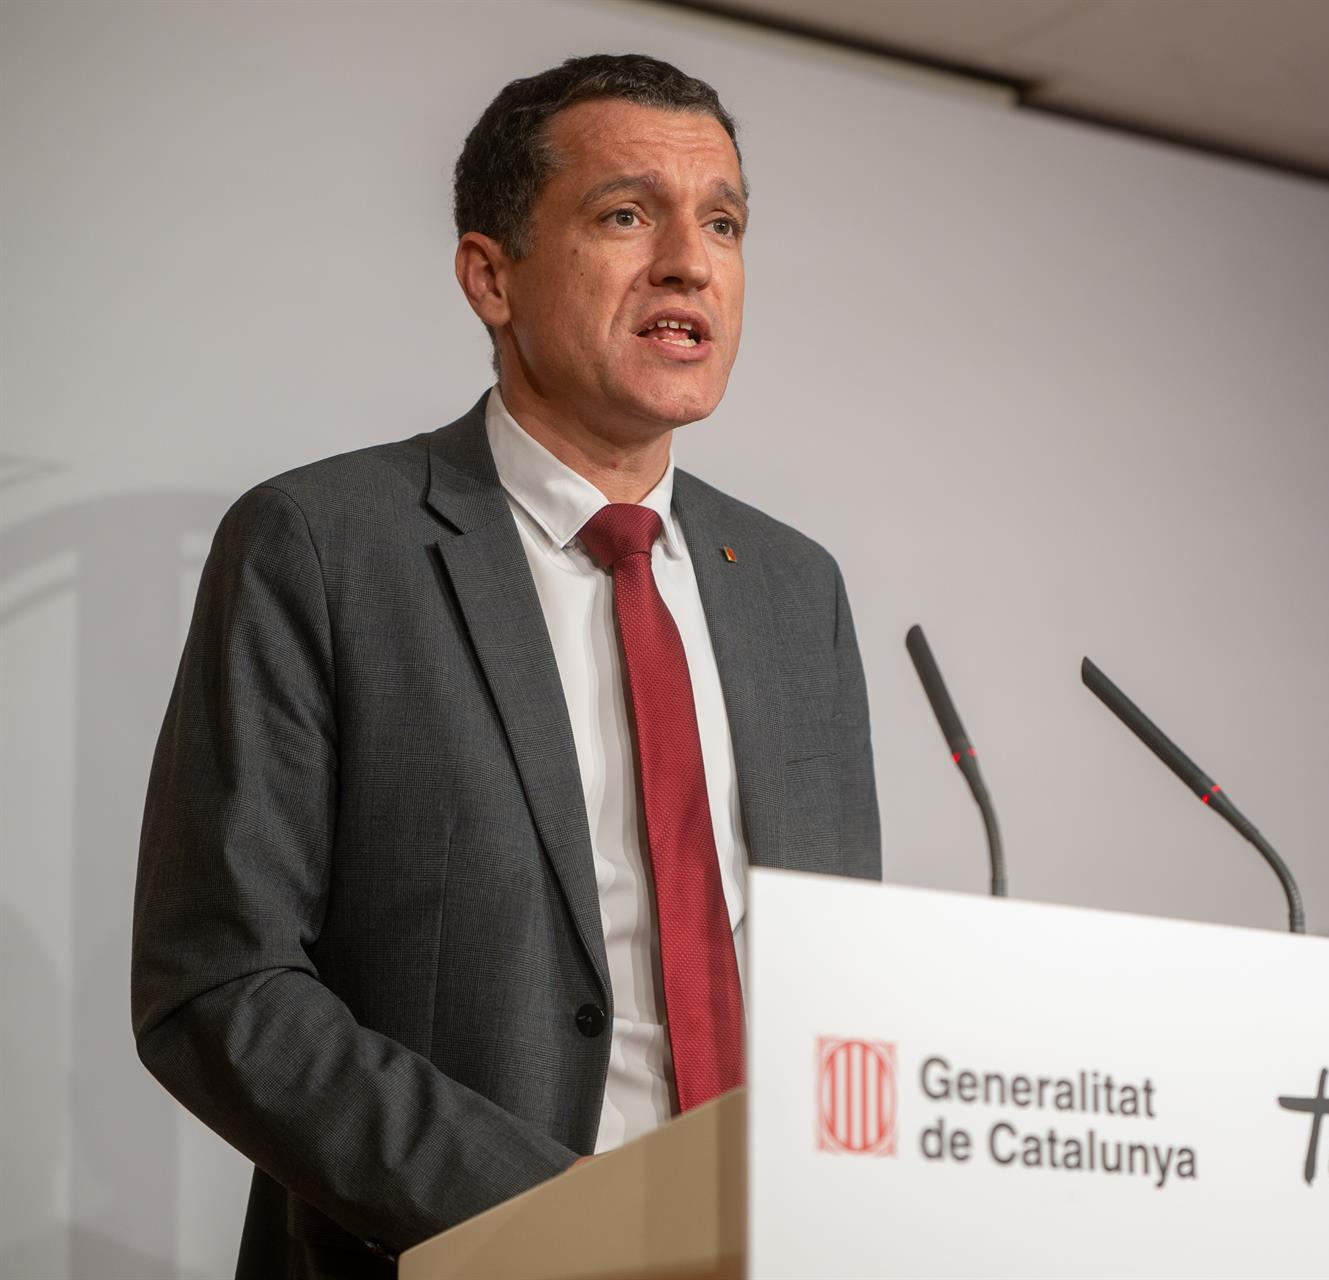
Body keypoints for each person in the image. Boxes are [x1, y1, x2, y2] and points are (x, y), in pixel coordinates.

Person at [131, 54, 880, 1279]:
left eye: (724, 222)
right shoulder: (325, 544)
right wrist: (545, 1214)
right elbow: (219, 980)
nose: (690, 263)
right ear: (491, 275)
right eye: (627, 214)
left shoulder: (798, 591)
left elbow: (839, 994)